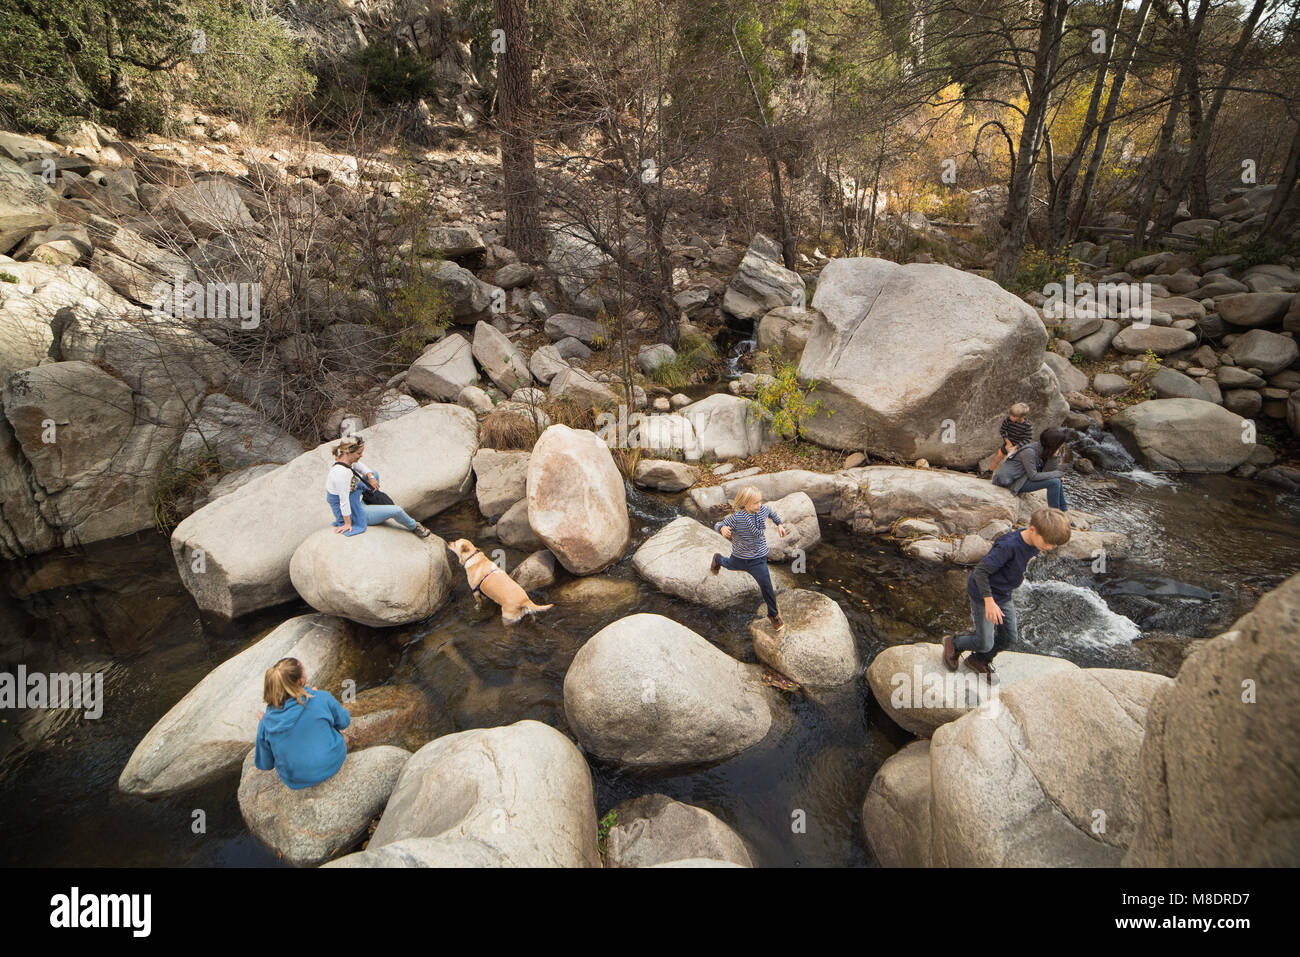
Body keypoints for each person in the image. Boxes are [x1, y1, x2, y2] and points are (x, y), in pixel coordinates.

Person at [943, 507, 1072, 677]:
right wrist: (989, 602)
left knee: (1010, 637)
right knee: (984, 642)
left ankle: (979, 659)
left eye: (1053, 544)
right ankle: (954, 643)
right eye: (1048, 543)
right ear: (1032, 530)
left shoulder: (1034, 542)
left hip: (1003, 595)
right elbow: (980, 572)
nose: (1050, 547)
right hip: (984, 595)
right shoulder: (1008, 546)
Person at [254, 657, 351, 789]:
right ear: (301, 680)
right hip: (334, 761)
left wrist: (264, 726)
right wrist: (319, 699)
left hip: (297, 780)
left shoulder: (266, 723)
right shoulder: (322, 697)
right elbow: (344, 722)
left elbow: (265, 764)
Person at [709, 486, 789, 634]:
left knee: (767, 587)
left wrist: (779, 524)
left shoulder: (763, 510)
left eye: (760, 501)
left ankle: (773, 615)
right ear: (745, 503)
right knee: (728, 564)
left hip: (758, 560)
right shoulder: (737, 518)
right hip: (739, 558)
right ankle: (717, 559)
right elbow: (718, 524)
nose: (759, 505)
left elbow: (771, 512)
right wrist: (722, 529)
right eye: (755, 503)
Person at [325, 435, 431, 537]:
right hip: (355, 510)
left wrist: (371, 477)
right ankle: (414, 526)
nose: (361, 455)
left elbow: (360, 466)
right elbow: (344, 502)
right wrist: (347, 524)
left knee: (374, 474)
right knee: (396, 510)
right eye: (359, 453)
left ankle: (373, 503)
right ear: (349, 452)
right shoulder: (342, 474)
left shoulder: (343, 459)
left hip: (355, 496)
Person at [992, 426, 1072, 511]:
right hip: (1014, 482)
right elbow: (1033, 476)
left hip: (1024, 478)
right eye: (1060, 444)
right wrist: (1058, 474)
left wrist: (1054, 456)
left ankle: (1063, 511)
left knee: (1057, 480)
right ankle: (1055, 513)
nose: (1061, 446)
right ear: (1053, 443)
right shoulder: (1029, 452)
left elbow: (1048, 471)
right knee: (1054, 482)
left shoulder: (1044, 449)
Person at [988, 402, 1034, 473]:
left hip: (1019, 448)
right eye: (1011, 415)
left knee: (1010, 463)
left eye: (1014, 416)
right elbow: (1002, 430)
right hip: (1008, 444)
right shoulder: (1008, 420)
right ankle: (989, 472)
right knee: (998, 457)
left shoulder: (1027, 426)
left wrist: (1015, 447)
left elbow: (1028, 439)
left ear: (1022, 417)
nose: (1011, 417)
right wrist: (1007, 441)